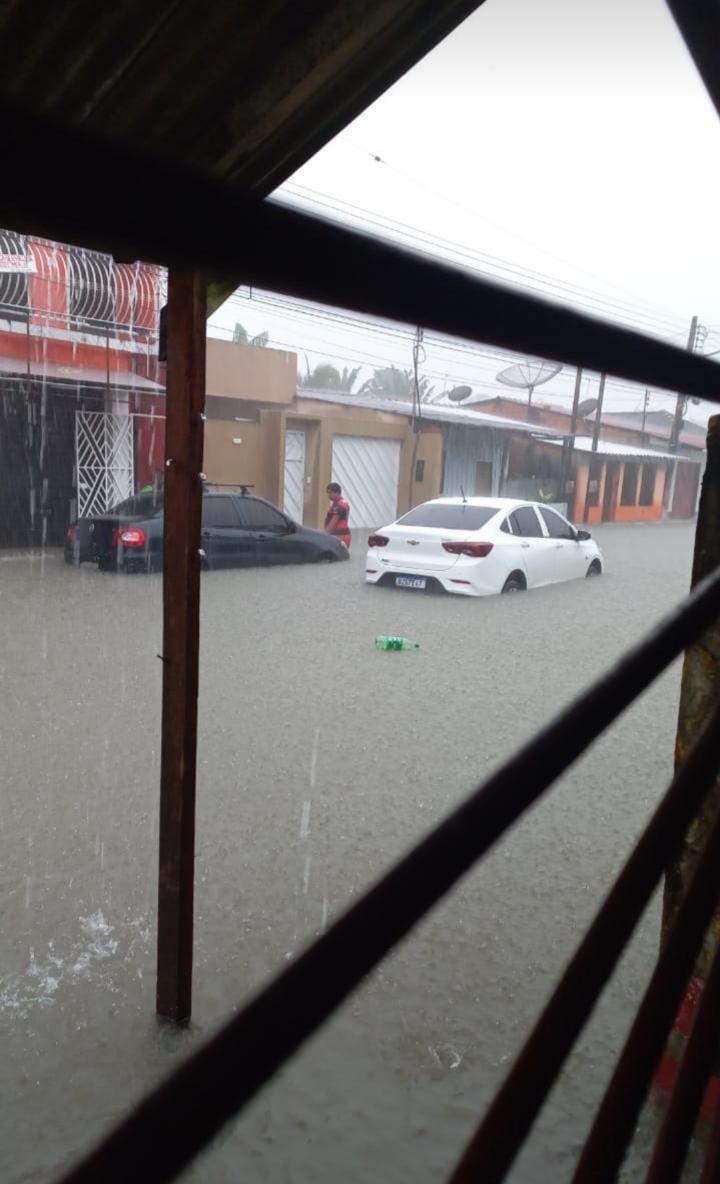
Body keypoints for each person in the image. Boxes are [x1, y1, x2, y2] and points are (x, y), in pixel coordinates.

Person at [324, 482, 351, 549]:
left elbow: (333, 521)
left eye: (330, 493)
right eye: (327, 492)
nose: (328, 495)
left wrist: (324, 535)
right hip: (341, 535)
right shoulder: (340, 503)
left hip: (339, 536)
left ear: (337, 493)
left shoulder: (339, 505)